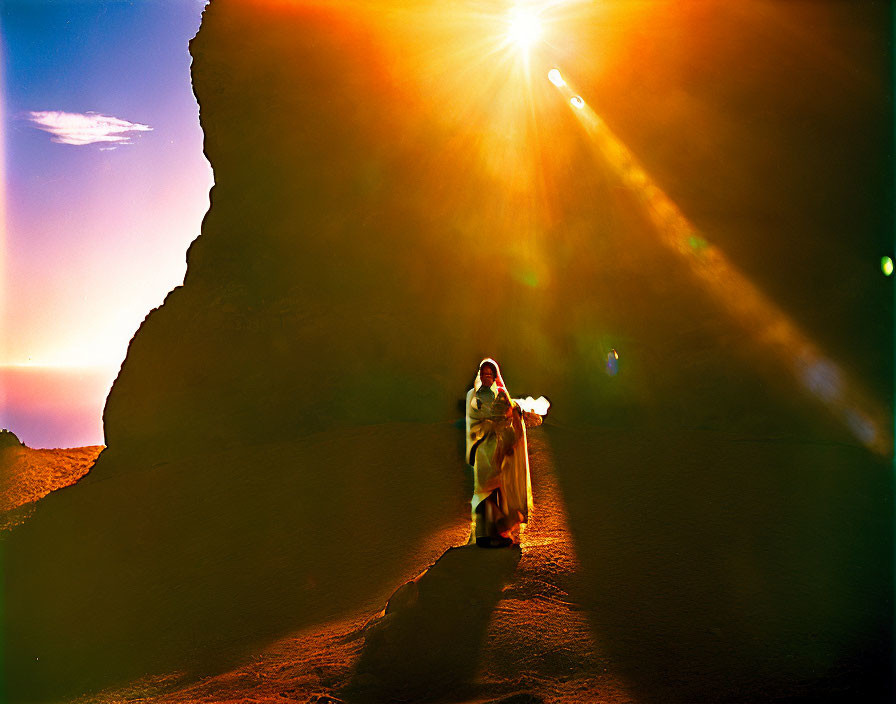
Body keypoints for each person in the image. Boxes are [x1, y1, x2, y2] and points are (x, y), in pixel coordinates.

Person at [465, 358, 532, 548]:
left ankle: (495, 533)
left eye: (490, 374)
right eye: (484, 374)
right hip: (483, 447)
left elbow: (509, 410)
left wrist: (513, 413)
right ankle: (483, 535)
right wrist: (489, 424)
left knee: (498, 491)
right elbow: (473, 420)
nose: (487, 377)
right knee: (485, 490)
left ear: (495, 377)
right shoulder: (474, 395)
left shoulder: (500, 394)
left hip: (498, 447)